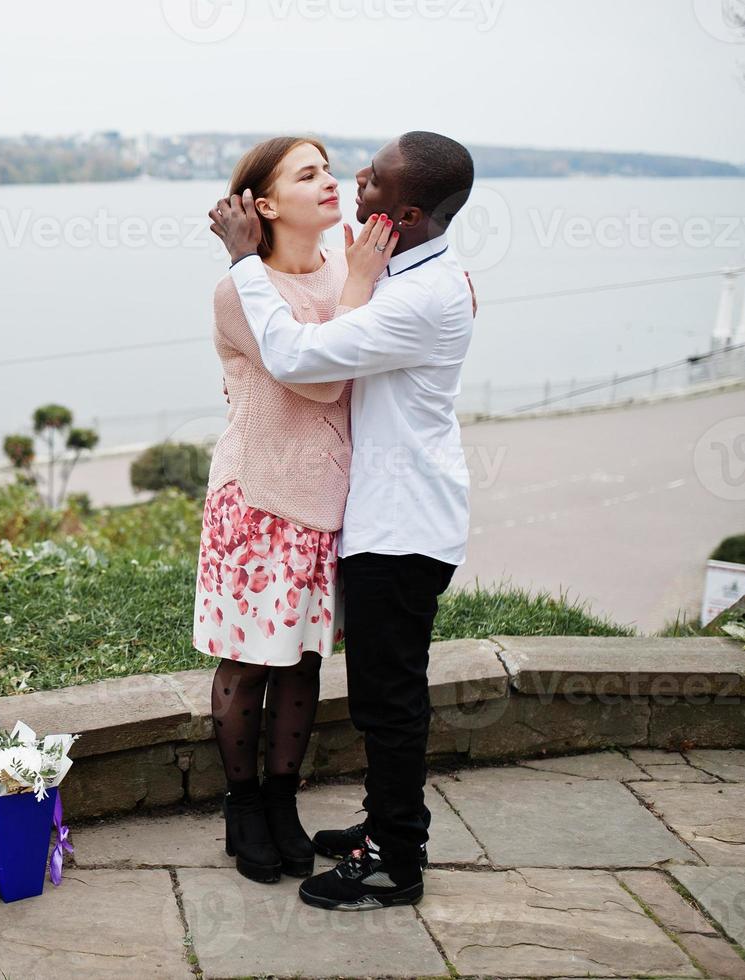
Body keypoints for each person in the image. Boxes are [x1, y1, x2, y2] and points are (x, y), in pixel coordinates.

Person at [209, 130, 477, 911]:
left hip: (399, 526)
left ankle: (395, 857)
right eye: (325, 172)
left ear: (409, 211)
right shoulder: (415, 268)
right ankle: (374, 830)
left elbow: (302, 363)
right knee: (373, 693)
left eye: (369, 176)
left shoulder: (419, 294)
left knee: (386, 703)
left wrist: (240, 259)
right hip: (350, 511)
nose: (351, 180)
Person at [195, 136, 395, 885]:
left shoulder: (346, 265)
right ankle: (241, 805)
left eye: (329, 169)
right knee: (249, 665)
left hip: (323, 503)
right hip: (257, 500)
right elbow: (315, 377)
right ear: (265, 206)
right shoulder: (237, 291)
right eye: (307, 174)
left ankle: (282, 803)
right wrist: (360, 289)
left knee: (305, 662)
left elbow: (377, 329)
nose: (331, 182)